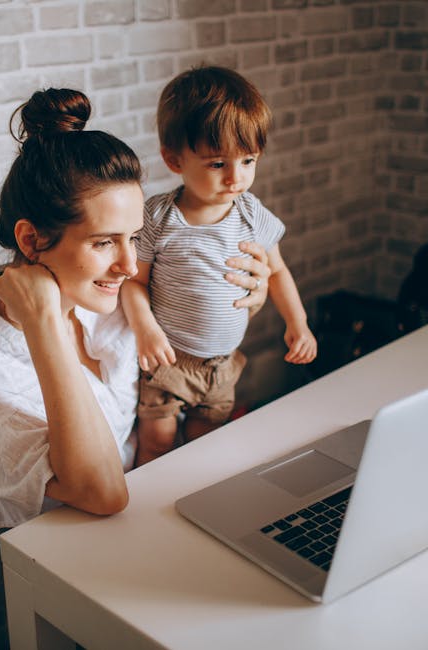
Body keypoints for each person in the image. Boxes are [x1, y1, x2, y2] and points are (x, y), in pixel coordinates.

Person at [0, 88, 272, 528]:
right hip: (71, 558)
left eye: (134, 237)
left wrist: (247, 296)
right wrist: (44, 323)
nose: (129, 266)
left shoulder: (114, 292)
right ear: (31, 240)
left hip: (166, 507)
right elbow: (101, 493)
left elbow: (198, 318)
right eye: (104, 241)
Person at [121, 66, 317, 467]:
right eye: (217, 164)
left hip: (222, 366)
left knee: (204, 454)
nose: (236, 177)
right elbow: (134, 282)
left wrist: (297, 323)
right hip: (169, 360)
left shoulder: (251, 213)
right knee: (155, 447)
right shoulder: (159, 217)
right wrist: (145, 329)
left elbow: (276, 271)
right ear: (174, 160)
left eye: (248, 160)